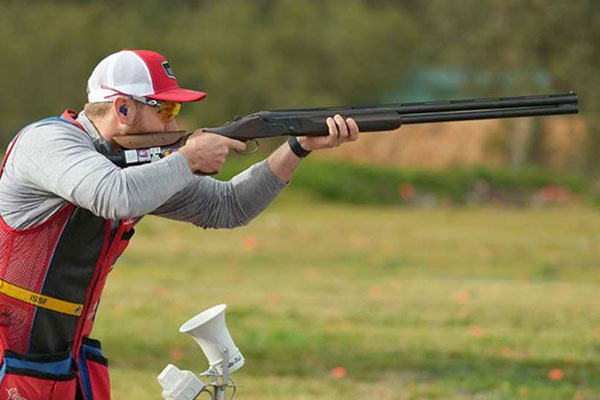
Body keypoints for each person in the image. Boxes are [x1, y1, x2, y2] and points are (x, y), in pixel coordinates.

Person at [0, 49, 359, 399]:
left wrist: (296, 147)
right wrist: (187, 159)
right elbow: (113, 194)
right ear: (123, 108)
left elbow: (229, 205)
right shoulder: (47, 142)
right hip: (10, 356)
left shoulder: (133, 167)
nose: (174, 125)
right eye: (167, 110)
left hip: (56, 360)